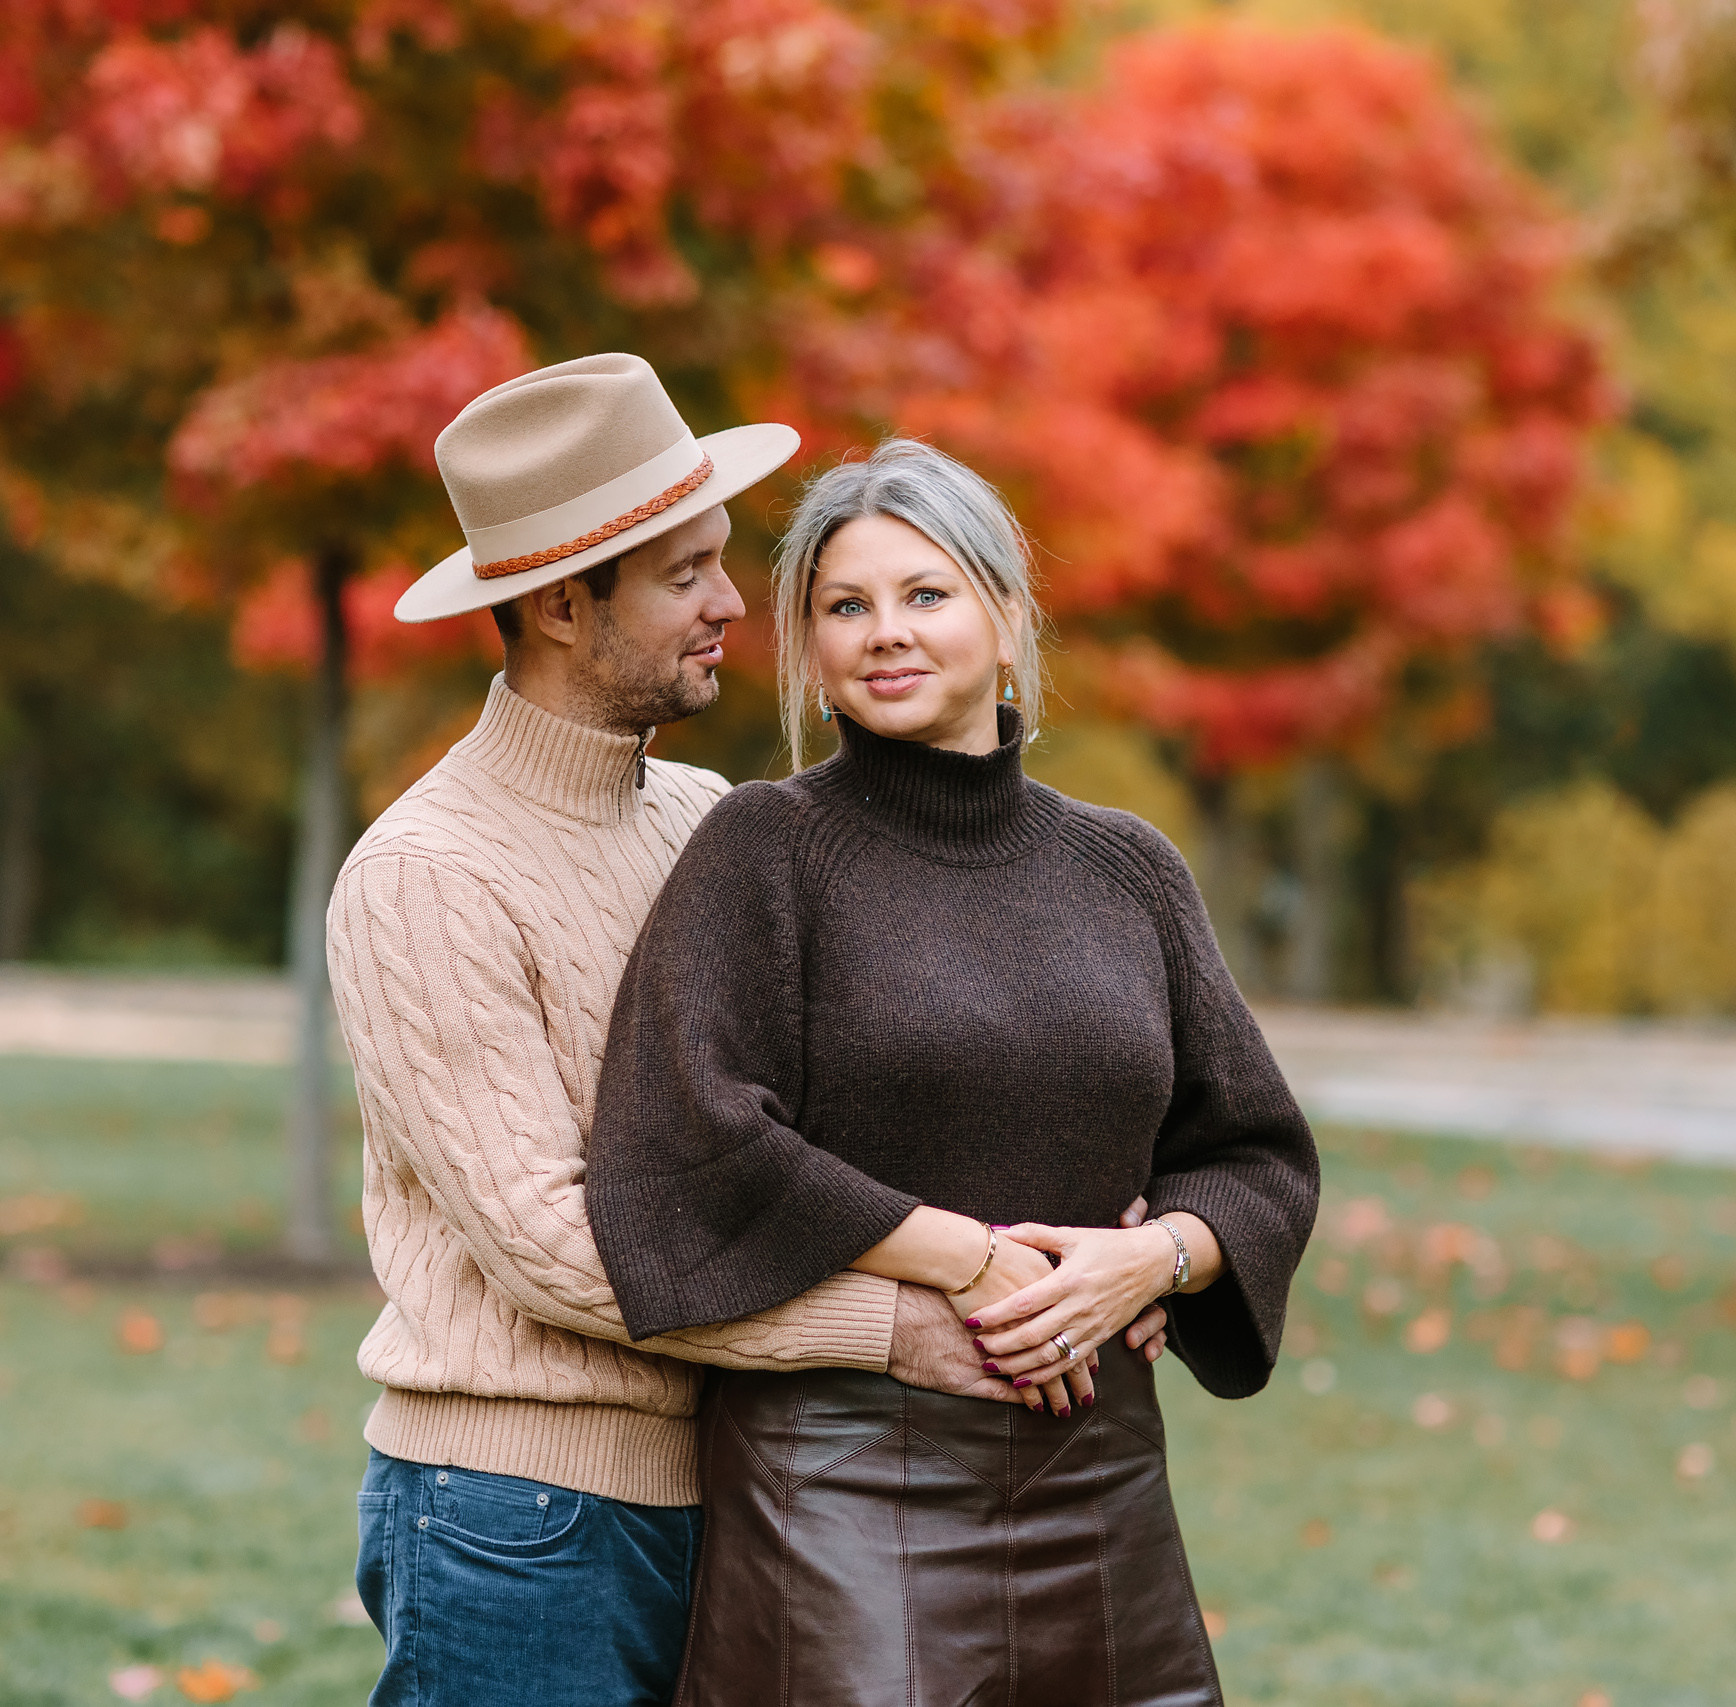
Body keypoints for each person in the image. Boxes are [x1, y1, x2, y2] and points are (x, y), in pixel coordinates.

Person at [327, 360, 1173, 1707]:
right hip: (524, 1510)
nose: (734, 601)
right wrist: (902, 1320)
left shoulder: (702, 816)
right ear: (559, 601)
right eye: (685, 574)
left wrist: (1113, 1235)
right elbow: (556, 1244)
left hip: (730, 1484)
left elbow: (805, 1118)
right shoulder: (428, 872)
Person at [586, 437, 1321, 1705]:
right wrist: (968, 1256)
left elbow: (1255, 1157)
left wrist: (1154, 1259)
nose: (885, 633)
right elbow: (690, 1144)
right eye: (842, 605)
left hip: (1096, 1472)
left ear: (1007, 614)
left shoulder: (1126, 868)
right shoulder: (766, 848)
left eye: (924, 594)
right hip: (841, 1475)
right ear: (807, 647)